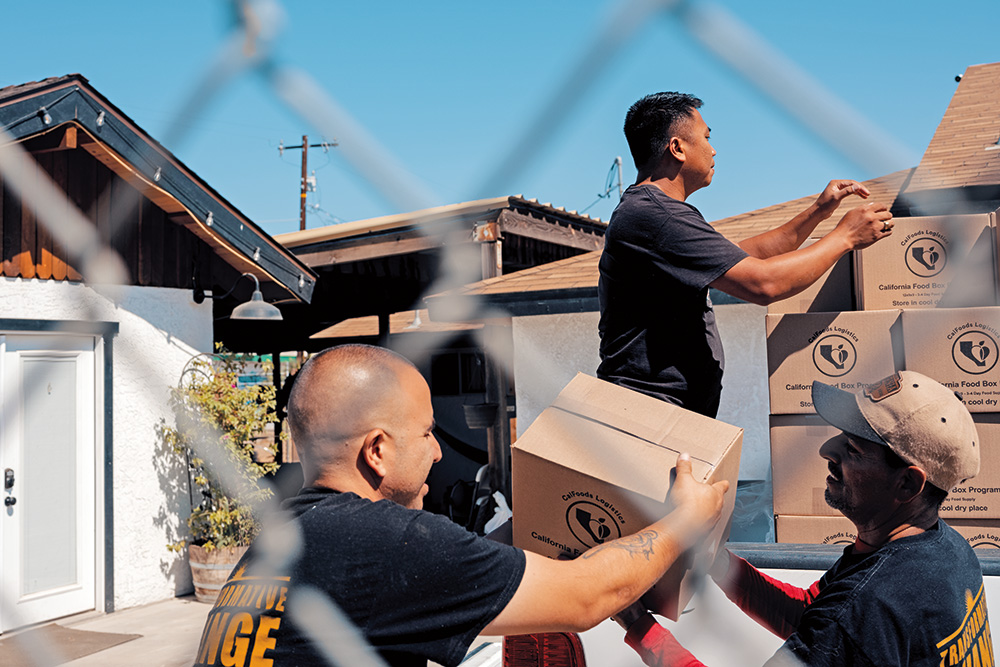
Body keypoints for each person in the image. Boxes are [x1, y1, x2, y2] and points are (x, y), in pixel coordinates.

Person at [192, 344, 729, 667]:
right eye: (426, 432)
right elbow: (588, 599)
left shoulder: (288, 539)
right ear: (377, 451)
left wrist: (539, 525)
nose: (439, 449)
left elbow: (452, 563)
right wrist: (686, 518)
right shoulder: (386, 543)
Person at [615, 370, 994, 667]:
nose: (827, 450)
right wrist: (717, 561)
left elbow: (838, 626)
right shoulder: (949, 550)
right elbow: (811, 616)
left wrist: (638, 626)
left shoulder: (868, 606)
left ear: (907, 483)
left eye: (854, 449)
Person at [597, 92, 895, 417]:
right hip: (648, 414)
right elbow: (764, 284)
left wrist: (818, 212)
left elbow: (745, 257)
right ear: (678, 147)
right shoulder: (656, 216)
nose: (713, 149)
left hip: (661, 411)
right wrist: (846, 236)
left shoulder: (653, 212)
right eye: (707, 137)